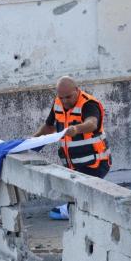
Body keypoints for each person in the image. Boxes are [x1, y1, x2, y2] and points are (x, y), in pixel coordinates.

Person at [34, 76, 111, 219]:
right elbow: (49, 127)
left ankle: (79, 216)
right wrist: (33, 141)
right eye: (61, 97)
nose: (65, 101)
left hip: (96, 163)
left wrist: (76, 129)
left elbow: (92, 123)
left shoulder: (88, 104)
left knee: (81, 195)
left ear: (77, 90)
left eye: (68, 97)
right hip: (74, 164)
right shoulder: (58, 103)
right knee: (79, 195)